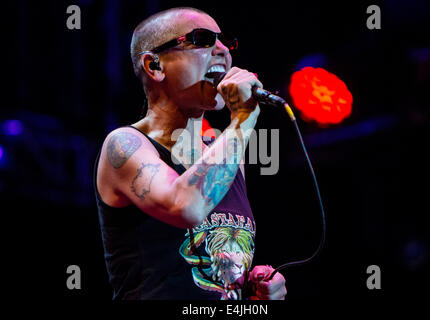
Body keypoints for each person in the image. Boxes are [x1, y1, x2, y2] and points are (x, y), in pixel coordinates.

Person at [94, 6, 287, 300]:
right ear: (154, 66)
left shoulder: (225, 149)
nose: (223, 50)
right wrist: (243, 118)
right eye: (202, 39)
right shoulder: (125, 145)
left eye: (225, 41)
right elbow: (186, 208)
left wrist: (252, 292)